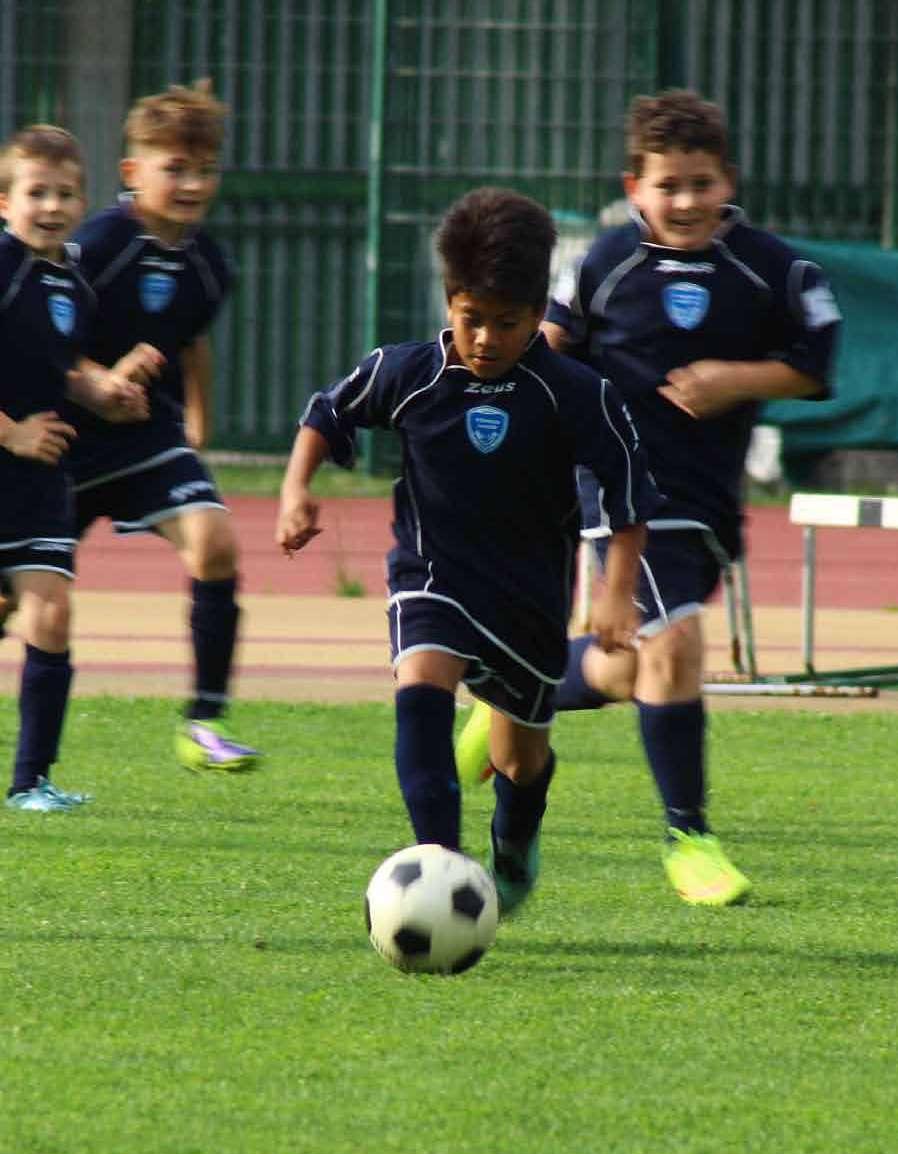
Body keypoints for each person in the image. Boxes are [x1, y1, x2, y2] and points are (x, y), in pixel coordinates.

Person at [456, 90, 841, 906]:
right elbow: (546, 353)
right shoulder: (603, 265)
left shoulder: (770, 268)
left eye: (702, 183)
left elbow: (814, 364)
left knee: (626, 663)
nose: (687, 201)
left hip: (707, 499)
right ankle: (688, 837)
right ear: (635, 186)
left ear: (727, 180)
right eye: (669, 186)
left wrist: (734, 378)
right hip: (618, 486)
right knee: (675, 646)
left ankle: (507, 684)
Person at [276, 187, 659, 913]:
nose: (485, 338)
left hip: (528, 600)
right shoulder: (410, 371)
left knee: (521, 759)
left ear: (540, 308)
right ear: (448, 300)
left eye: (507, 323)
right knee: (420, 686)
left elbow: (629, 488)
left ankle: (513, 842)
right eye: (470, 318)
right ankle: (442, 865)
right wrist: (298, 487)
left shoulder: (574, 392)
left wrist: (615, 589)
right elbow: (327, 412)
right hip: (432, 577)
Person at [66, 80, 259, 773]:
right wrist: (99, 382)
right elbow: (42, 335)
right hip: (63, 436)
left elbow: (189, 339)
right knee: (20, 591)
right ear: (132, 172)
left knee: (215, 543)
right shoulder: (98, 244)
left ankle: (204, 721)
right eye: (173, 168)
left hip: (148, 435)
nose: (190, 183)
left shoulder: (212, 264)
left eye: (203, 169)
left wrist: (199, 419)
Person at [0, 126, 150, 810]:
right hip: (14, 457)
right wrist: (13, 432)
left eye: (65, 194)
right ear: (5, 202)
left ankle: (31, 782)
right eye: (36, 193)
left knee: (51, 614)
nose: (52, 206)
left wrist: (104, 393)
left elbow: (58, 368)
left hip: (37, 484)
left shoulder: (75, 282)